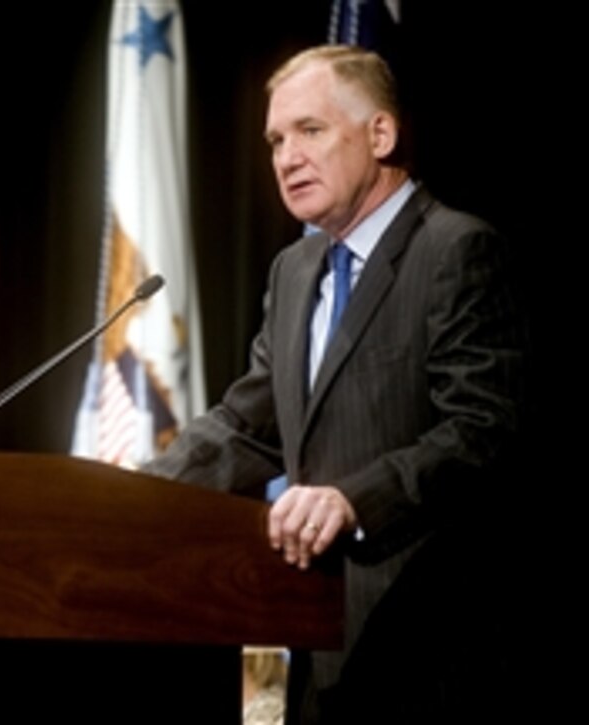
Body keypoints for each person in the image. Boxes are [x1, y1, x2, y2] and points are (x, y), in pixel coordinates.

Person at [144, 45, 526, 723]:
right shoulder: (295, 269)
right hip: (318, 644)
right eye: (275, 139)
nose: (286, 156)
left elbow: (481, 430)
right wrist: (130, 492)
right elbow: (247, 423)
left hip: (430, 644)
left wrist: (354, 500)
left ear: (379, 133)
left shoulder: (456, 249)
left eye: (310, 130)